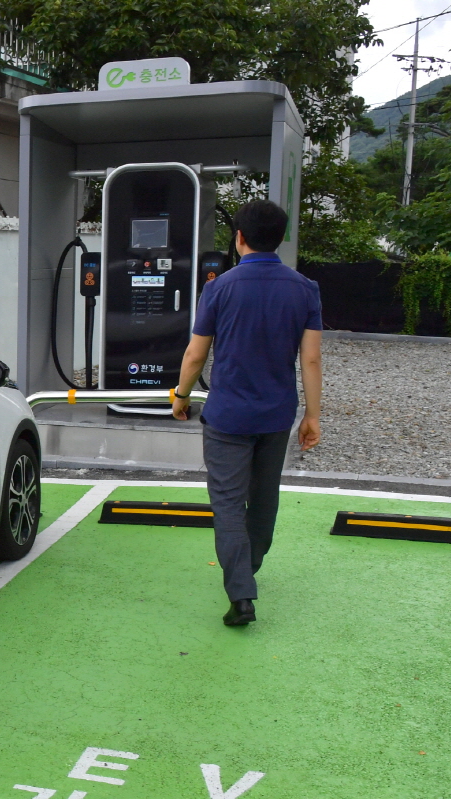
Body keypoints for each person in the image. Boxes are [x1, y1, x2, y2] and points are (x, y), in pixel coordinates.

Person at [171, 199, 322, 627]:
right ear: (281, 237)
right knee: (264, 498)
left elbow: (195, 354)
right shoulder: (304, 288)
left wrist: (181, 395)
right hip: (276, 415)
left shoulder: (219, 288)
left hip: (227, 416)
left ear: (239, 238)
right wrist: (312, 415)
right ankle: (248, 568)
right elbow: (311, 359)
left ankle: (241, 594)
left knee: (227, 503)